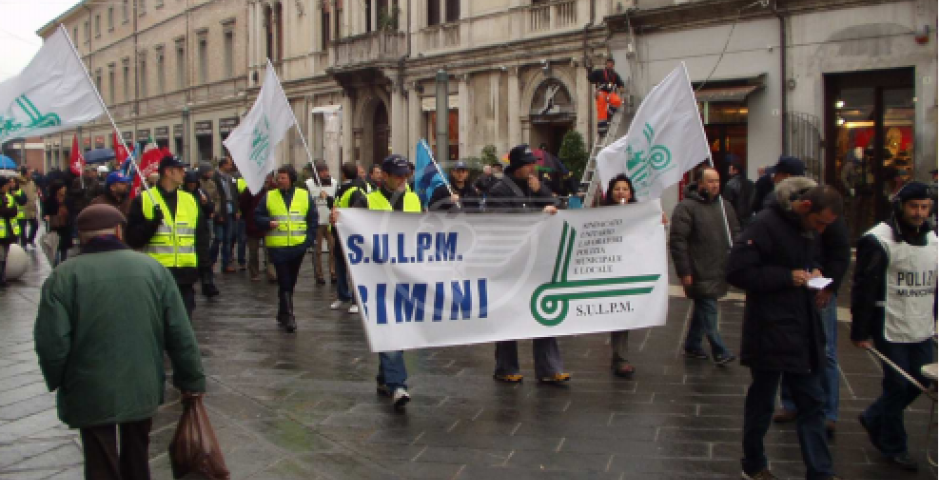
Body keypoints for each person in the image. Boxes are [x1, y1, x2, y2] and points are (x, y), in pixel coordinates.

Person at [34, 204, 206, 480]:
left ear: (82, 236)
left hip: (88, 385)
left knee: (99, 460)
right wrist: (191, 380)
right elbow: (179, 332)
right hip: (142, 381)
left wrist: (58, 379)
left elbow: (51, 341)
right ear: (118, 231)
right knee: (137, 453)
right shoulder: (153, 270)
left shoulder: (64, 276)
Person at [726, 180, 844, 480]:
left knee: (812, 402)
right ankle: (753, 463)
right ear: (805, 206)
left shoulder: (807, 227)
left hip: (802, 326)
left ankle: (820, 472)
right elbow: (737, 270)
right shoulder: (765, 224)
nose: (820, 231)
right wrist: (786, 277)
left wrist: (816, 270)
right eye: (819, 223)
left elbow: (807, 258)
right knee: (763, 400)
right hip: (770, 328)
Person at [852, 181, 937, 472]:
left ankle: (875, 417)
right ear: (901, 206)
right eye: (914, 207)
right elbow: (864, 287)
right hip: (891, 323)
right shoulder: (878, 240)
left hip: (922, 322)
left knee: (924, 380)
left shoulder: (934, 238)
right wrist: (860, 331)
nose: (919, 213)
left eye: (924, 207)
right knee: (897, 385)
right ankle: (893, 445)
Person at [333, 154, 419, 408]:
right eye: (398, 175)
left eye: (406, 175)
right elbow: (351, 233)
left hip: (407, 275)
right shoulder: (367, 200)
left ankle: (384, 378)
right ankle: (398, 384)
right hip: (378, 276)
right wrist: (339, 222)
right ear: (385, 176)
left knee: (396, 329)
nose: (403, 179)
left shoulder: (414, 198)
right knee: (391, 327)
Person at [773, 180, 851, 438]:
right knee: (791, 346)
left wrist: (828, 285)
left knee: (826, 351)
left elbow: (839, 254)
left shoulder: (830, 215)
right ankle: (791, 403)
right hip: (795, 286)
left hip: (821, 287)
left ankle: (829, 412)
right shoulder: (786, 215)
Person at [486, 144, 568, 384]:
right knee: (510, 313)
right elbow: (500, 223)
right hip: (511, 260)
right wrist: (537, 213)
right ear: (517, 166)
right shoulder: (500, 190)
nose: (533, 168)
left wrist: (541, 191)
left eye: (534, 164)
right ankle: (505, 366)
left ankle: (549, 367)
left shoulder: (536, 187)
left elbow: (558, 207)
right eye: (528, 164)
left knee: (543, 310)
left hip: (537, 259)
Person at [126, 156, 211, 319]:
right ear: (168, 172)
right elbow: (132, 239)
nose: (184, 174)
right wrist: (151, 224)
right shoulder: (144, 200)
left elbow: (201, 236)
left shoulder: (190, 200)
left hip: (185, 275)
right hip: (156, 274)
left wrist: (205, 270)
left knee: (184, 323)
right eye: (180, 170)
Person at [671, 167, 740, 365]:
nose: (715, 185)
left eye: (717, 181)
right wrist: (684, 271)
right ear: (700, 184)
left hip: (719, 267)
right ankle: (719, 349)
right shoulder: (686, 207)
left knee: (704, 307)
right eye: (710, 181)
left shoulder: (725, 206)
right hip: (698, 269)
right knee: (709, 308)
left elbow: (735, 232)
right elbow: (678, 241)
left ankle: (693, 344)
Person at [255, 166, 317, 333]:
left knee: (291, 281)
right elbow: (257, 216)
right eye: (278, 178)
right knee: (284, 280)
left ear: (291, 178)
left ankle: (282, 312)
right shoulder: (269, 196)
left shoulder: (304, 196)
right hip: (278, 246)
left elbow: (312, 218)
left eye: (283, 177)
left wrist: (308, 240)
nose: (280, 180)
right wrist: (267, 222)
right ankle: (289, 316)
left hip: (298, 246)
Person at [330, 162, 369, 314]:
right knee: (340, 265)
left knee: (353, 269)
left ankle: (356, 299)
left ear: (344, 174)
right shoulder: (342, 189)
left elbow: (355, 213)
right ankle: (343, 295)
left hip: (351, 235)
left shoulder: (356, 190)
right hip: (339, 233)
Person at [182, 170, 220, 298]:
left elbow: (210, 210)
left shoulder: (201, 193)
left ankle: (208, 283)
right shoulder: (181, 194)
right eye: (189, 183)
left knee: (204, 257)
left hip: (201, 228)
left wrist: (207, 204)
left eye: (193, 183)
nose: (192, 186)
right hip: (187, 229)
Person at [240, 173, 277, 282]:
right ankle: (254, 273)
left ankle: (272, 273)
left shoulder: (274, 188)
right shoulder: (250, 189)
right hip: (253, 225)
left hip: (269, 225)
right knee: (253, 252)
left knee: (270, 251)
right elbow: (243, 204)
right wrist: (249, 216)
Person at [305, 163, 338, 285]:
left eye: (326, 170)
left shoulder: (334, 183)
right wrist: (316, 196)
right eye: (322, 171)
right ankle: (319, 275)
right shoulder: (308, 184)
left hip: (329, 221)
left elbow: (337, 200)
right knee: (317, 251)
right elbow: (305, 201)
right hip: (317, 222)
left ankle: (333, 272)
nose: (325, 173)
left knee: (333, 248)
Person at [212, 157, 240, 273]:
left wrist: (236, 210)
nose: (231, 166)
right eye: (229, 164)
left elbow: (235, 195)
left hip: (230, 211)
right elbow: (215, 197)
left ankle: (226, 263)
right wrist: (217, 213)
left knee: (228, 240)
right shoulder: (215, 178)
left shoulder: (230, 178)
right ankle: (211, 262)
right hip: (220, 212)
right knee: (218, 238)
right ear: (223, 165)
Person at [587, 57, 624, 135]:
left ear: (613, 65)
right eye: (608, 63)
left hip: (610, 93)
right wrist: (595, 82)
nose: (610, 65)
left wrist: (621, 88)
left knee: (617, 101)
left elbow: (620, 83)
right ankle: (602, 130)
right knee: (601, 109)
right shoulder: (600, 72)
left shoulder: (615, 75)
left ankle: (608, 114)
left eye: (611, 63)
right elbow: (590, 77)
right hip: (601, 92)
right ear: (606, 64)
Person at [43, 183, 74, 266]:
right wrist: (47, 217)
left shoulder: (68, 200)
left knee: (64, 249)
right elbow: (45, 212)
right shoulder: (49, 200)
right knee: (55, 248)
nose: (64, 189)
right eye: (62, 188)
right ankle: (55, 266)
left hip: (65, 227)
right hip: (55, 227)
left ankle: (63, 265)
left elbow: (71, 211)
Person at [722, 156, 754, 227]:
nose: (728, 171)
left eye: (730, 169)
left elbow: (726, 202)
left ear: (735, 171)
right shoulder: (750, 183)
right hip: (749, 217)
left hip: (736, 218)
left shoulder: (730, 184)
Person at [0, 177, 21, 286]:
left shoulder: (10, 197)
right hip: (1, 232)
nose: (8, 187)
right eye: (6, 185)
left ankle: (2, 277)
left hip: (8, 232)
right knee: (1, 256)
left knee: (5, 256)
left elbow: (14, 210)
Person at [16, 166, 40, 248]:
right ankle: (24, 243)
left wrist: (35, 199)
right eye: (29, 173)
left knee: (35, 225)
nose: (31, 174)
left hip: (31, 208)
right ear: (25, 174)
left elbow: (34, 192)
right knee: (22, 228)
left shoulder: (32, 182)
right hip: (22, 209)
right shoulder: (18, 183)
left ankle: (30, 240)